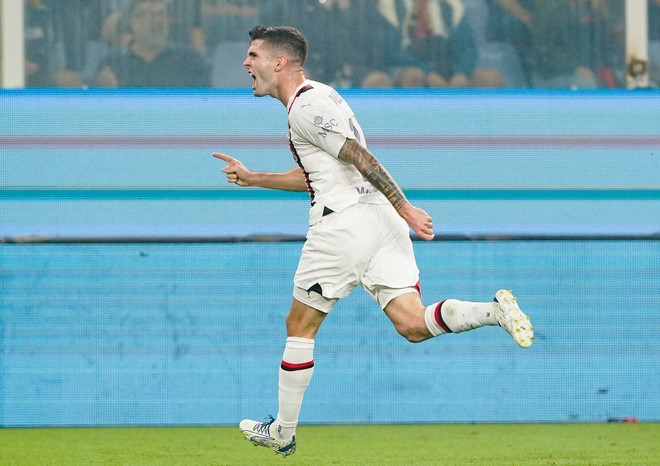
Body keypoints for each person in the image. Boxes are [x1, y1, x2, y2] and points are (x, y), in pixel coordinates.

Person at [213, 25, 534, 457]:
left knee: (300, 325)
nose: (245, 63)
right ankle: (494, 311)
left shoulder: (305, 107)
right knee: (412, 324)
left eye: (253, 55)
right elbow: (320, 173)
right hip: (378, 221)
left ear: (279, 62)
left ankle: (283, 432)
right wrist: (256, 178)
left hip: (345, 224)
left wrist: (407, 207)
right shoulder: (321, 98)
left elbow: (360, 157)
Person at [97, 0, 209, 87]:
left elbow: (207, 108)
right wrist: (109, 94)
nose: (158, 21)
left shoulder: (190, 60)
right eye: (149, 15)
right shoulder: (112, 64)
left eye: (161, 14)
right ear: (132, 22)